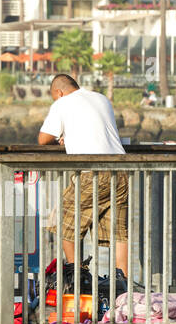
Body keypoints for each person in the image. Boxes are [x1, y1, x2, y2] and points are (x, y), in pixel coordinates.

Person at [37, 73, 129, 288]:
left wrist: (61, 139)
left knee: (62, 220)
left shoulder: (62, 103)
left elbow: (43, 139)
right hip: (121, 170)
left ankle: (76, 275)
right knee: (118, 232)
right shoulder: (101, 98)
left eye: (54, 97)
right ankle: (122, 282)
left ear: (58, 92)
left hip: (92, 172)